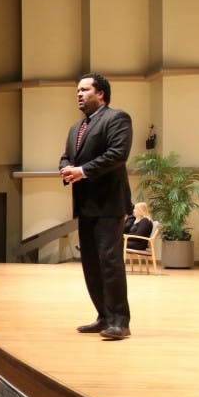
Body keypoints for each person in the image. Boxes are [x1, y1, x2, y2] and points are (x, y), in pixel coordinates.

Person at [59, 73, 134, 340]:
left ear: (100, 93)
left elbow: (117, 154)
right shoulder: (75, 128)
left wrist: (82, 170)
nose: (79, 94)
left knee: (109, 262)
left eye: (84, 89)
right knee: (91, 264)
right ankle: (103, 317)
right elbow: (67, 156)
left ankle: (120, 322)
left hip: (109, 204)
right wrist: (66, 168)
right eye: (77, 90)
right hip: (85, 205)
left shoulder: (117, 118)